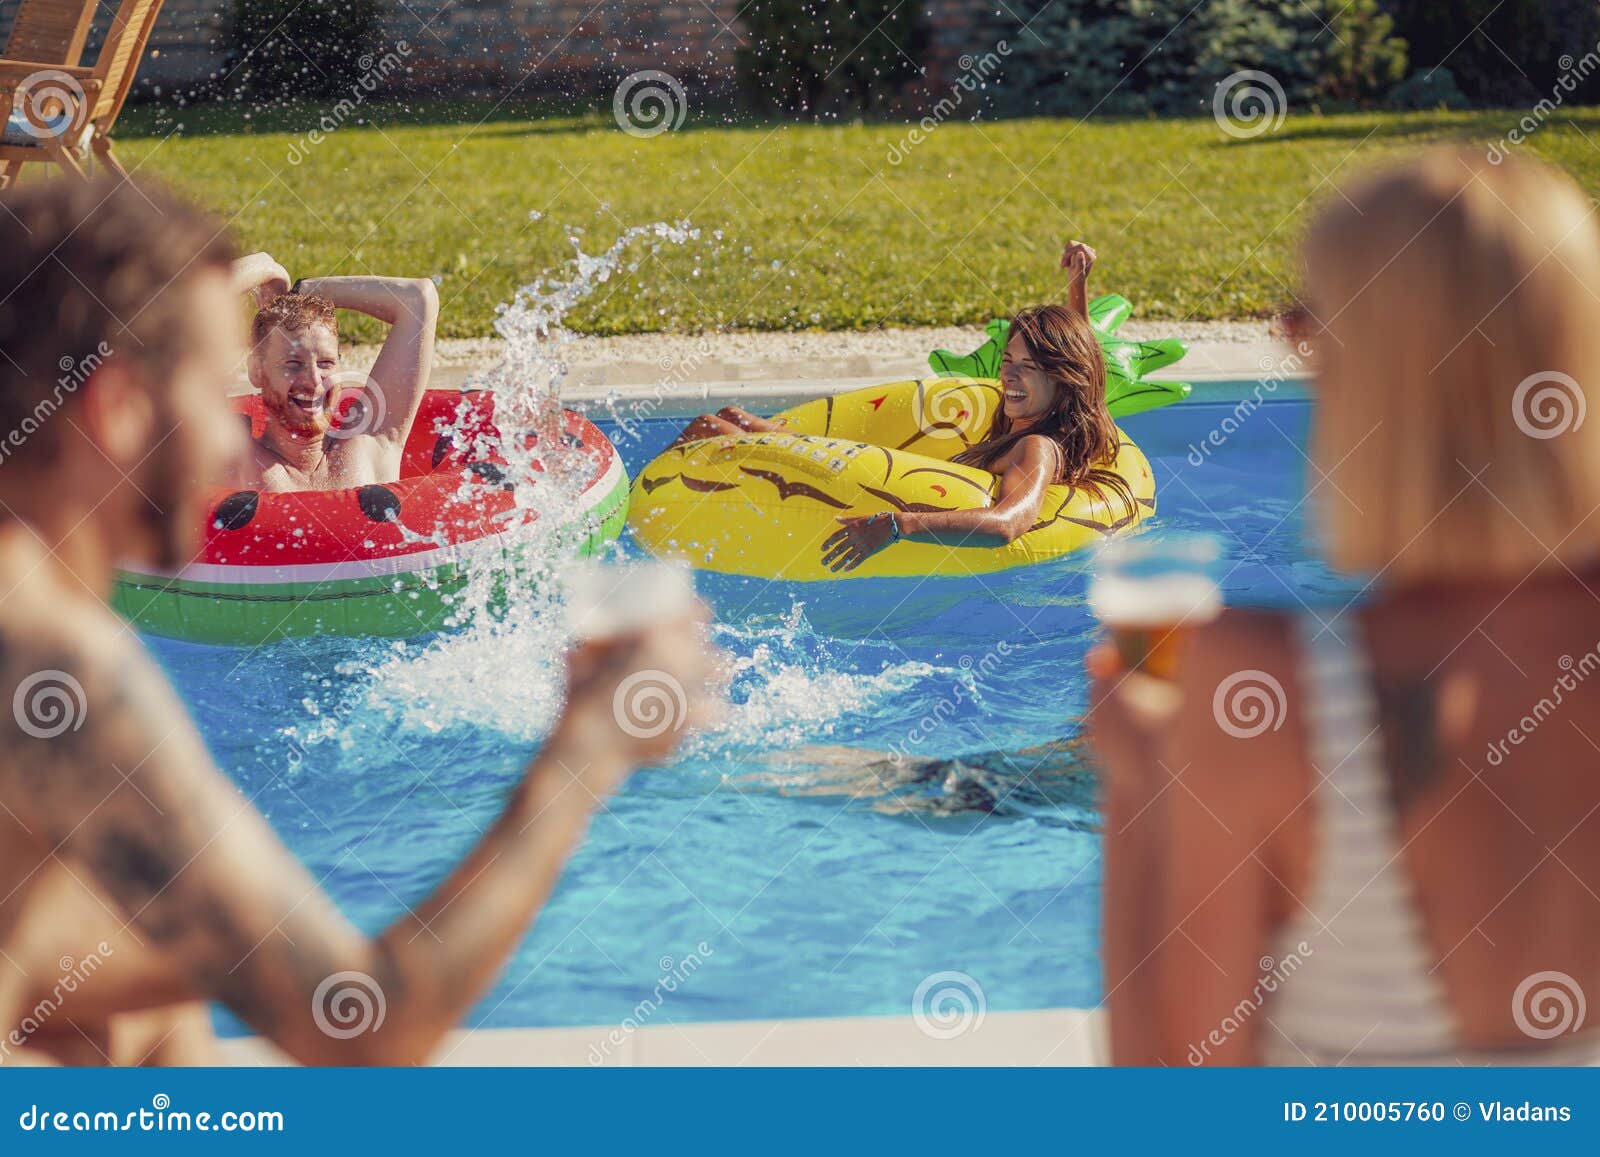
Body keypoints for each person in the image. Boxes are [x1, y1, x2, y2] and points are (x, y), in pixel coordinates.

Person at [0, 176, 717, 1065]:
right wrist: (593, 741)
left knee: (137, 1019)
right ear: (117, 410)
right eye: (205, 395)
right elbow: (361, 1021)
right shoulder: (50, 668)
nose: (230, 443)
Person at [1090, 148, 1600, 1065]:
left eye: (1315, 323)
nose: (1294, 340)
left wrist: (1137, 794)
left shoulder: (1267, 691)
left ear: (1384, 377)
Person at [667, 242, 1136, 572]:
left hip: (872, 501)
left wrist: (897, 526)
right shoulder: (1042, 411)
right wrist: (1078, 284)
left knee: (710, 426)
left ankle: (645, 508)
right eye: (1007, 361)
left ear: (1060, 376)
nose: (1008, 377)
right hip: (891, 472)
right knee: (729, 418)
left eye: (1028, 368)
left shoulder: (1036, 447)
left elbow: (1009, 523)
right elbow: (1084, 365)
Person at [230, 251, 439, 492]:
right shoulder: (237, 458)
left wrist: (306, 291)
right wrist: (265, 267)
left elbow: (418, 299)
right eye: (293, 364)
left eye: (325, 363)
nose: (314, 381)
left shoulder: (371, 442)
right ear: (257, 371)